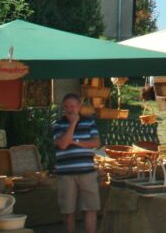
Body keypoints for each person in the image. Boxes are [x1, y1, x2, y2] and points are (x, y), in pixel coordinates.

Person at [53, 93, 101, 233]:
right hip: (65, 174)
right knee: (68, 211)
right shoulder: (58, 125)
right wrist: (73, 124)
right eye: (67, 106)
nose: (70, 109)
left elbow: (96, 143)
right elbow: (62, 144)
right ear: (63, 108)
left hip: (87, 172)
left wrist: (76, 142)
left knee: (91, 209)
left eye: (73, 106)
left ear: (79, 107)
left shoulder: (89, 123)